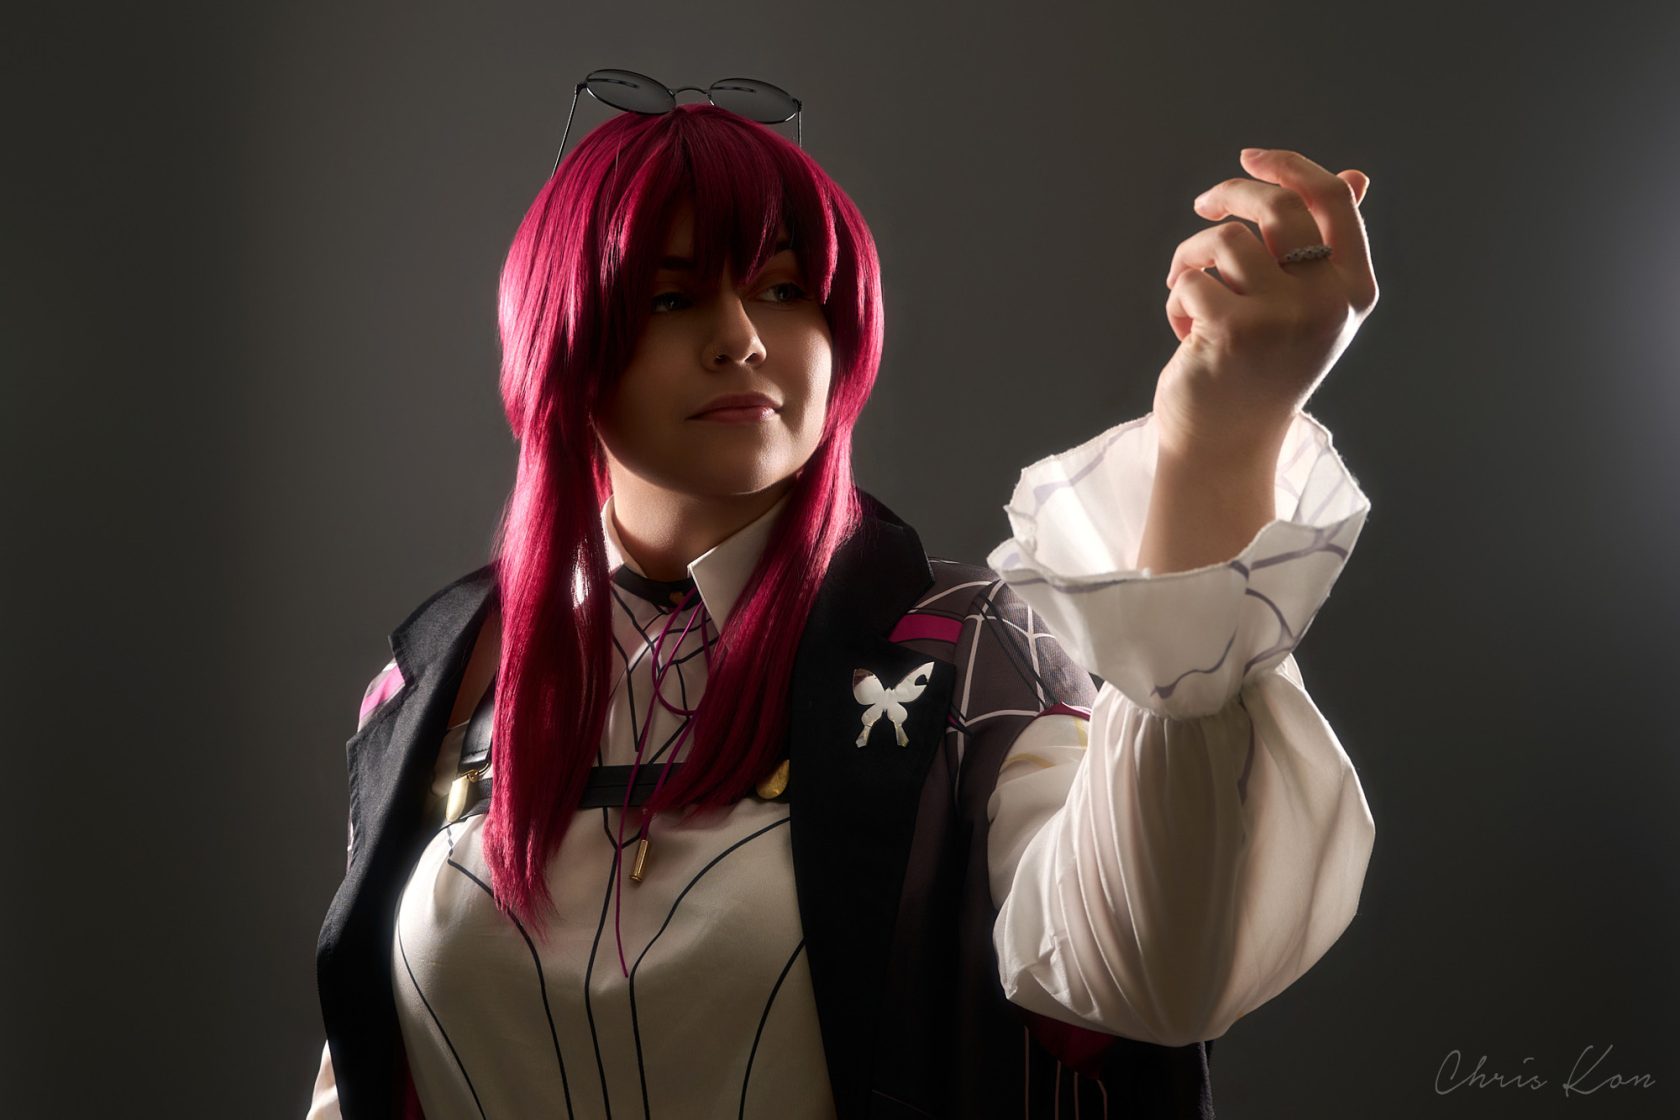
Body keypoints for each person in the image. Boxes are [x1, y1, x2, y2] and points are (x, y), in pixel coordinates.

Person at [306, 84, 1379, 1120]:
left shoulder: (966, 650)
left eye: (783, 290)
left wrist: (1212, 446)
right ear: (563, 337)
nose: (741, 338)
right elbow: (356, 1072)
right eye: (672, 299)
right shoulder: (445, 678)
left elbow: (1147, 971)